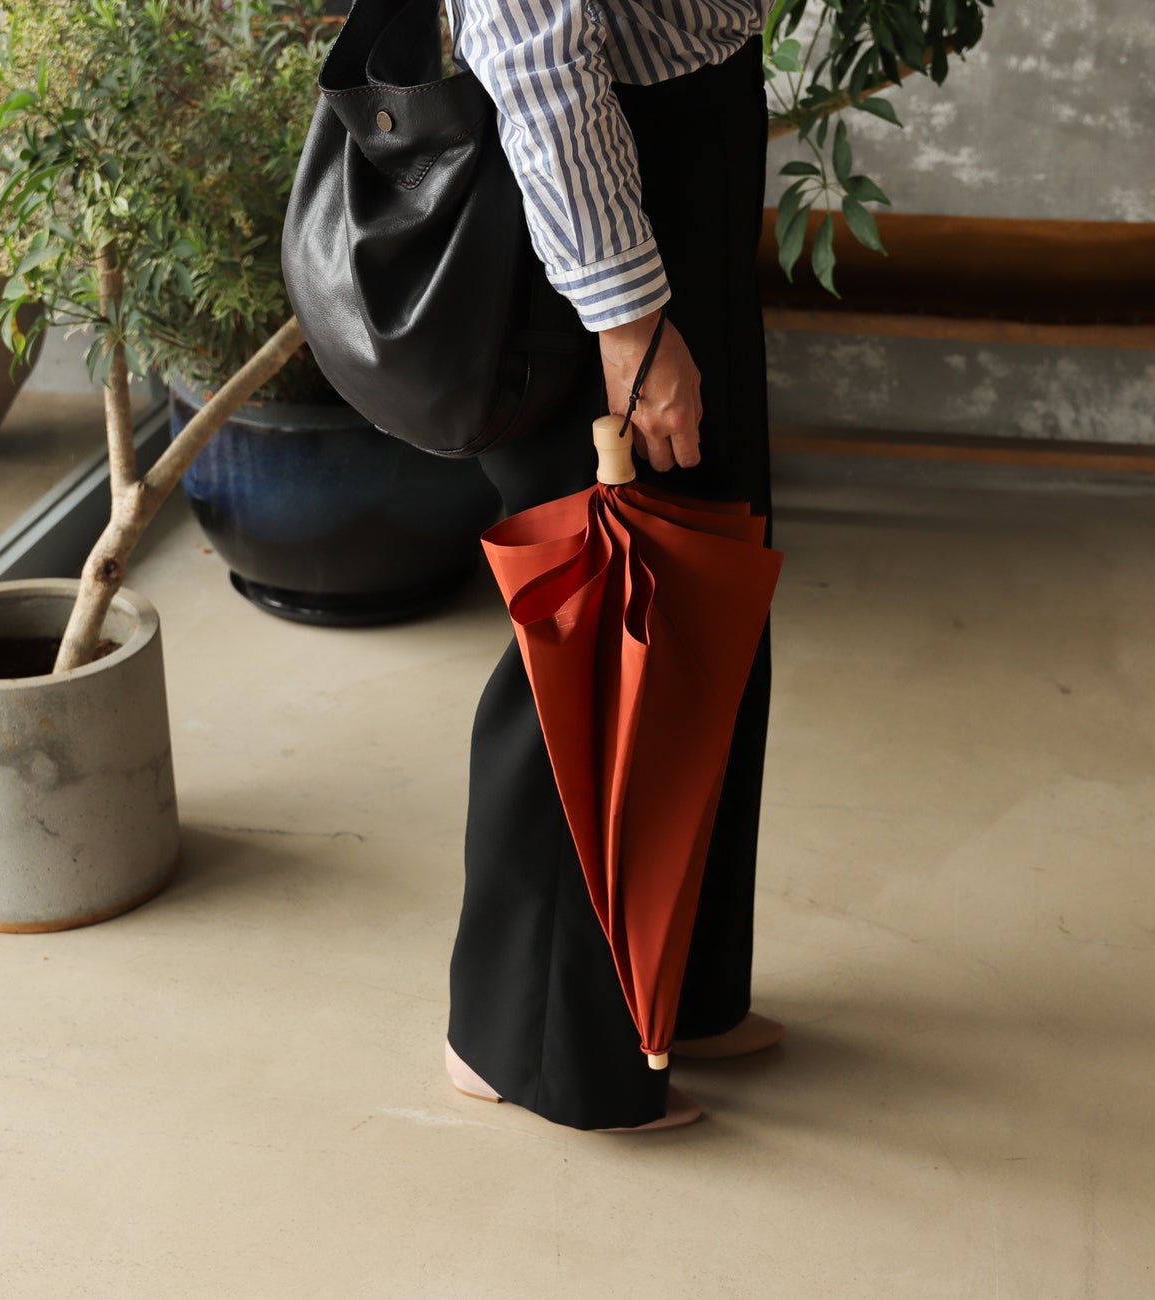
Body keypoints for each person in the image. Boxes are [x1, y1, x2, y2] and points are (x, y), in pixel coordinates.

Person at [443, 0, 782, 1131]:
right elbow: (532, 50)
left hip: (692, 130)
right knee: (594, 618)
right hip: (601, 185)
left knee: (706, 581)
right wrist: (628, 316)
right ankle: (526, 1045)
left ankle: (675, 996)